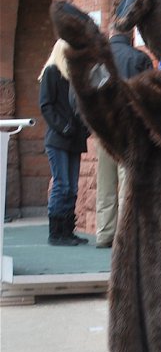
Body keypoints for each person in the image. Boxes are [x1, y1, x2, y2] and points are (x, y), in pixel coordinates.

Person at [94, 25, 153, 248]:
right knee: (127, 181)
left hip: (105, 127)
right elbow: (148, 93)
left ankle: (104, 232)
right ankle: (124, 234)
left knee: (105, 182)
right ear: (130, 36)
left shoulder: (101, 61)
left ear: (111, 34)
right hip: (130, 127)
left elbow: (93, 93)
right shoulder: (139, 58)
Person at [38, 39, 90, 246]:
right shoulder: (52, 72)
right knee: (62, 185)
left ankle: (68, 231)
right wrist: (64, 127)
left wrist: (85, 129)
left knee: (73, 188)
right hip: (58, 139)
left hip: (74, 139)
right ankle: (56, 233)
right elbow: (46, 106)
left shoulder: (74, 76)